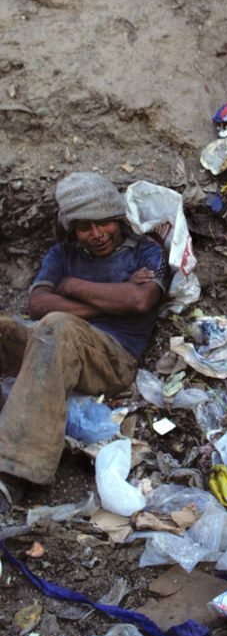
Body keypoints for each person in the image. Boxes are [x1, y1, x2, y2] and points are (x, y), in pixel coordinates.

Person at [0, 171, 170, 512]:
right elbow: (37, 305)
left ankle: (15, 473)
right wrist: (113, 297)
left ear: (118, 219)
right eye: (84, 227)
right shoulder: (62, 255)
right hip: (53, 340)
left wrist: (71, 287)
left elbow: (139, 301)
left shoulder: (146, 252)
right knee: (11, 327)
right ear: (72, 230)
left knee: (58, 326)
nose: (96, 235)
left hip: (112, 358)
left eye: (103, 223)